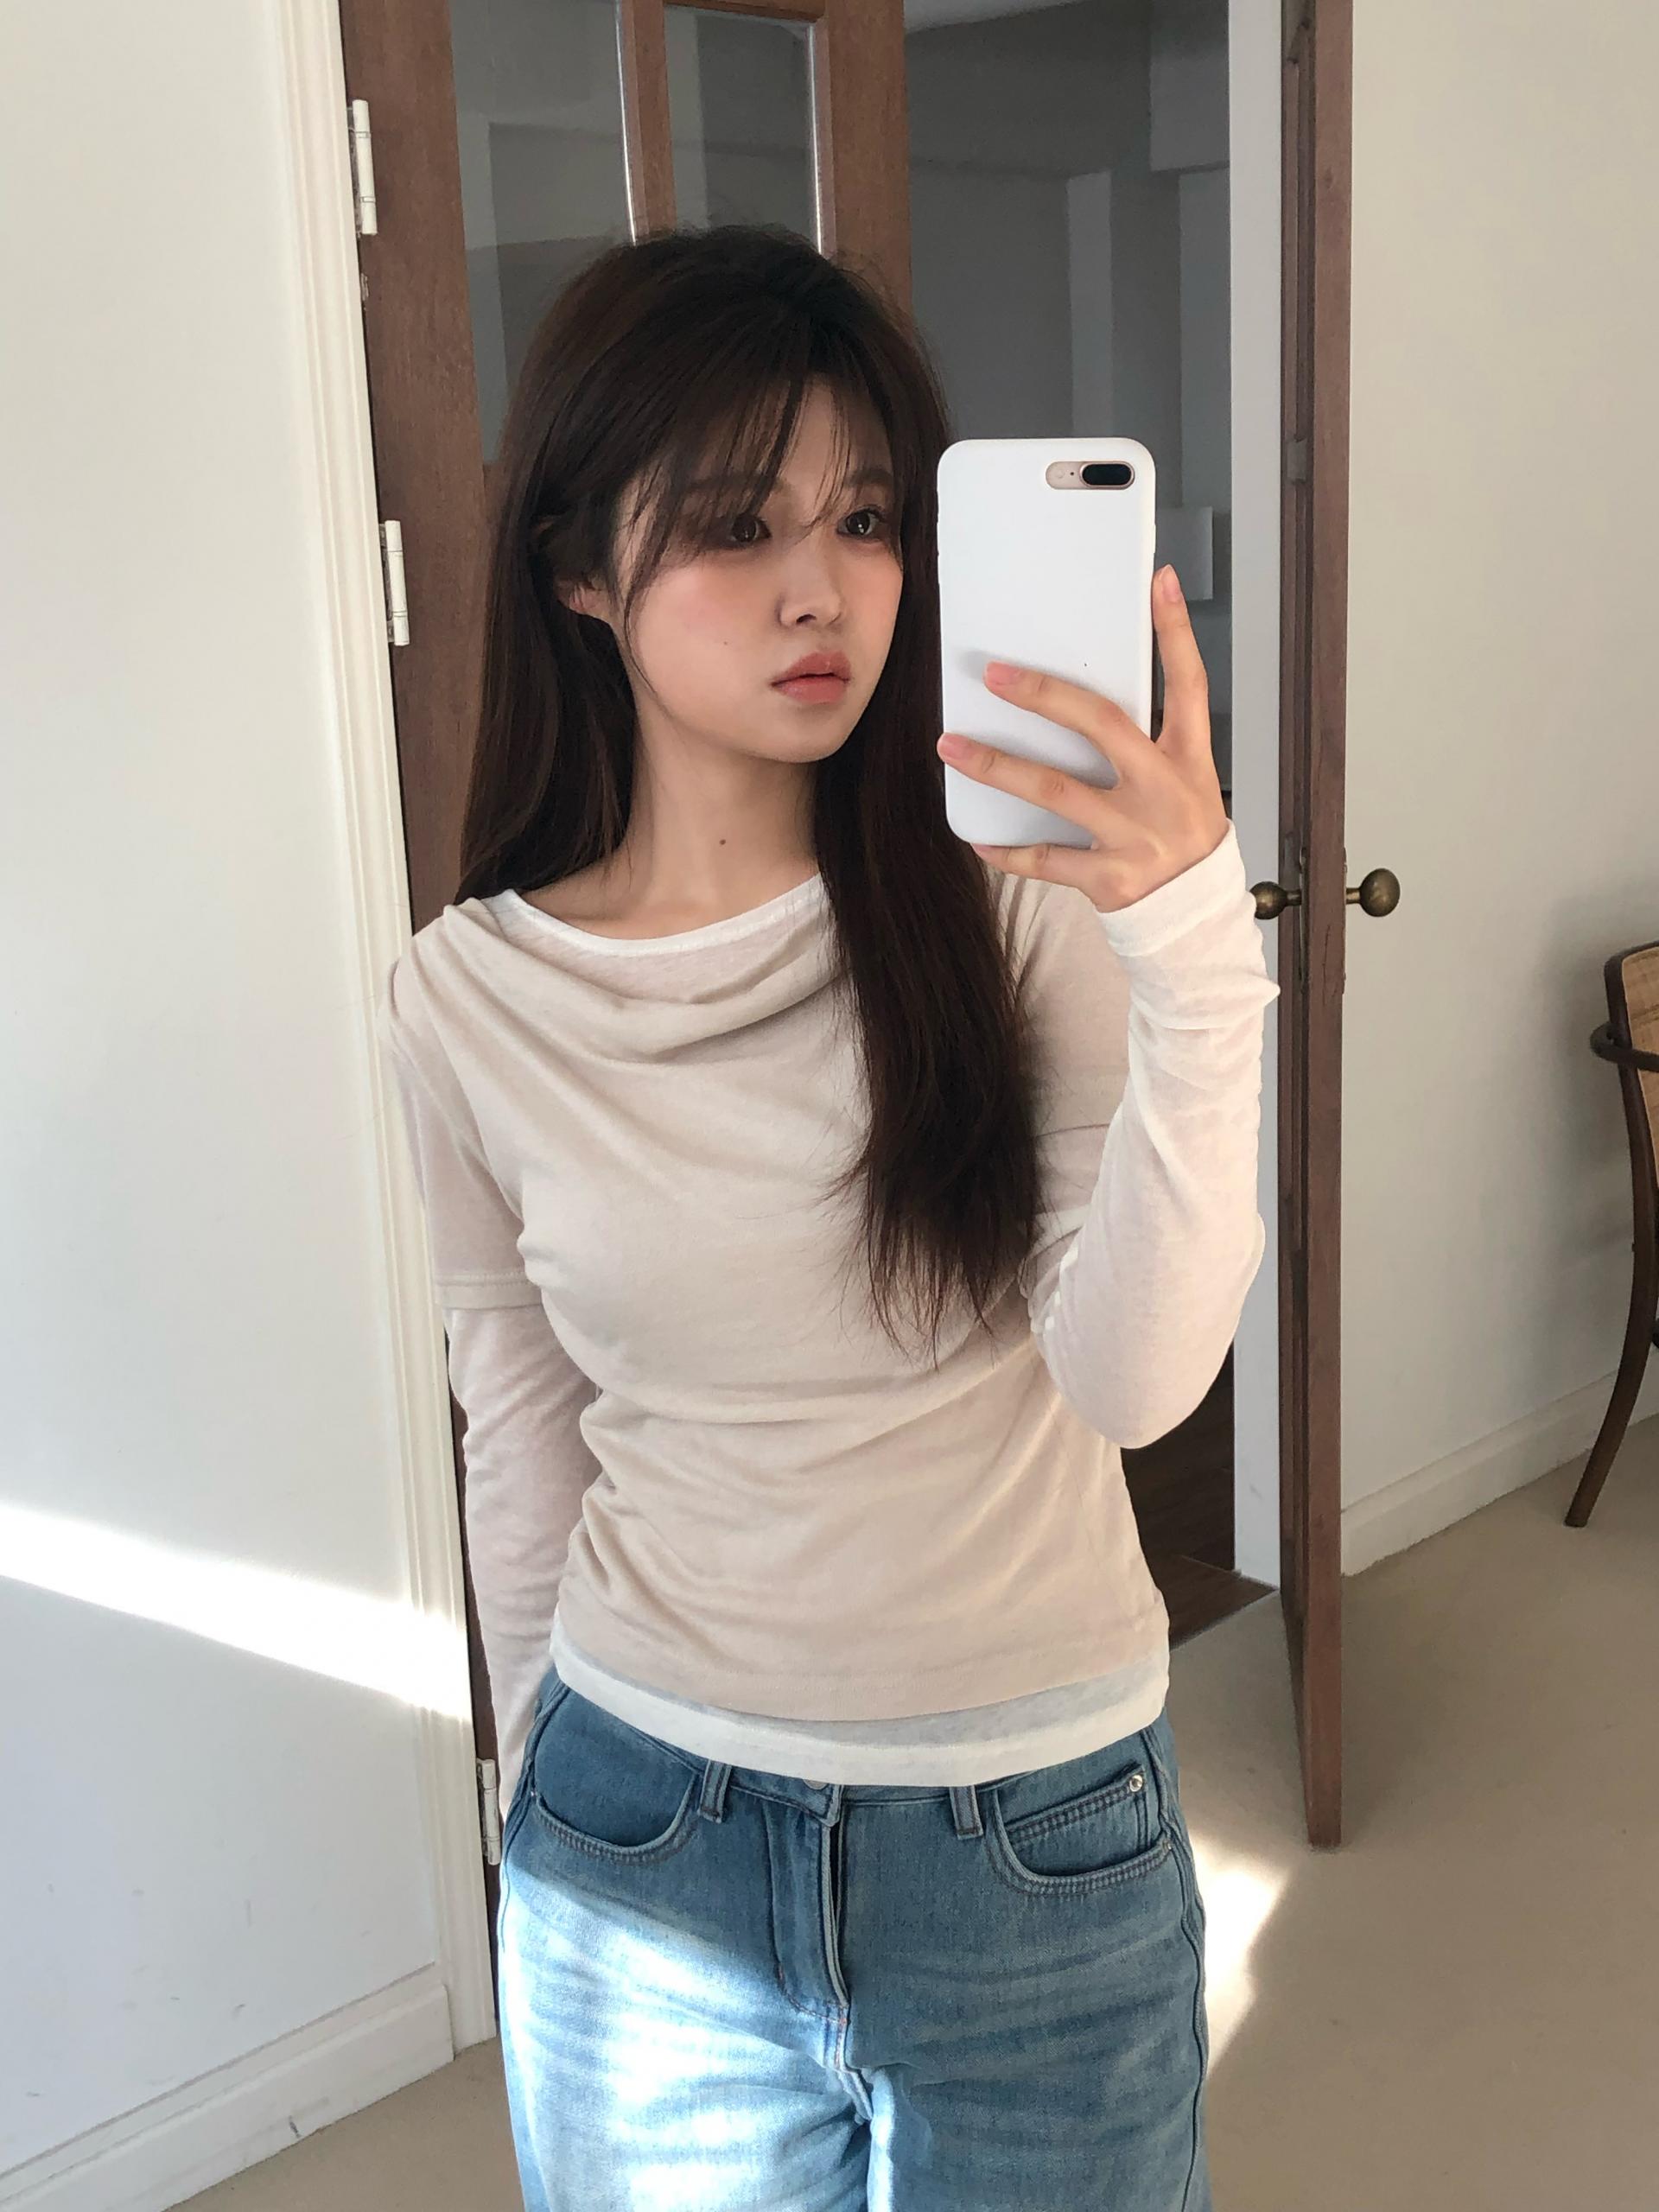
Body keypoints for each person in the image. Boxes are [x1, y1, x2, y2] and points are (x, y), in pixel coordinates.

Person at [378, 222, 1277, 2211]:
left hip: (1035, 1826)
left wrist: (1194, 939)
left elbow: (1137, 1381)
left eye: (867, 518)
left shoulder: (1016, 907)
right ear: (577, 569)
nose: (823, 587)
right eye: (735, 523)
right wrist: (532, 1811)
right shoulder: (465, 999)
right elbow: (522, 1429)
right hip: (638, 1830)